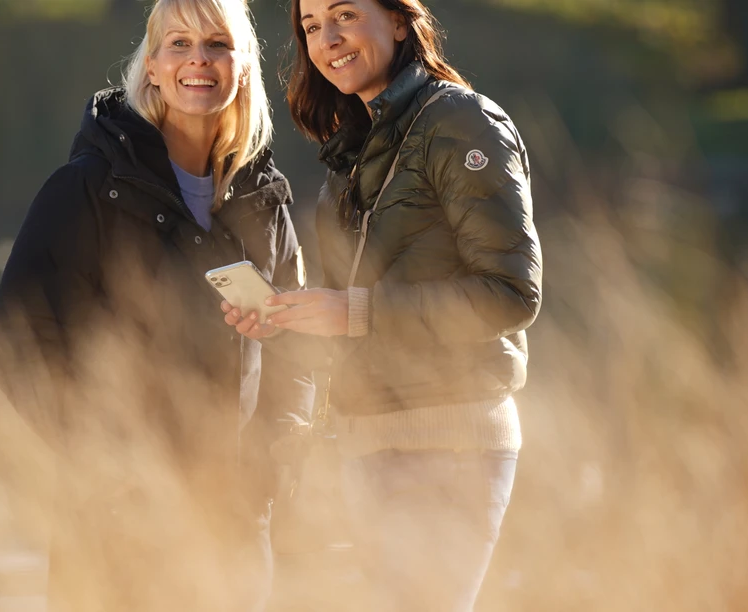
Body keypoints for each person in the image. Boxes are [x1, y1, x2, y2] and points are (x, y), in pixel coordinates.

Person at [0, 0, 310, 610]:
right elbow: (18, 340)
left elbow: (297, 346)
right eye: (179, 44)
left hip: (234, 530)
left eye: (218, 44)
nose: (199, 60)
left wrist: (276, 458)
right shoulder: (85, 188)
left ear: (243, 67)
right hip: (113, 531)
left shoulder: (266, 201)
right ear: (152, 68)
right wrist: (104, 460)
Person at [223, 0, 542, 609]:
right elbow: (358, 317)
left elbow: (511, 293)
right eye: (311, 26)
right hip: (367, 444)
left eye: (344, 14)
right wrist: (284, 323)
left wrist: (353, 313)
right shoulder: (356, 146)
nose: (327, 39)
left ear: (399, 20)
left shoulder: (463, 123)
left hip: (451, 445)